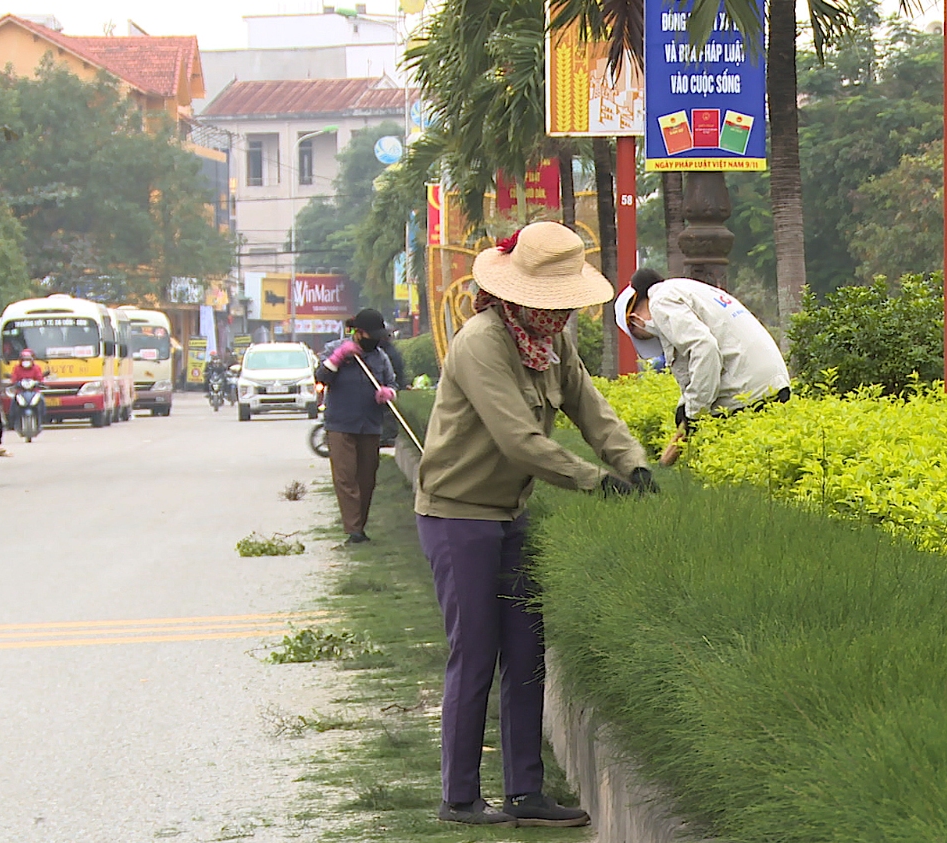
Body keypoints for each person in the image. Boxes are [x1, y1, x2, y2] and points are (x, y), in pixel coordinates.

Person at [416, 220, 657, 827]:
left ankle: (526, 794)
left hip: (510, 515)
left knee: (527, 653)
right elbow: (519, 441)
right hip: (458, 515)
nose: (559, 315)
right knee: (475, 653)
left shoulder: (552, 346)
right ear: (516, 295)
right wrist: (595, 482)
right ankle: (460, 798)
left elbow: (591, 410)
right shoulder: (482, 343)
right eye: (549, 303)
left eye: (565, 304)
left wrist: (634, 464)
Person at [615, 269, 791, 463]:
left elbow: (704, 349)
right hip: (773, 384)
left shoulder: (661, 302)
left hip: (748, 393)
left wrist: (693, 412)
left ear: (634, 320)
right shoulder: (685, 288)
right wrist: (687, 406)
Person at [316, 309, 398, 544]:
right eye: (371, 335)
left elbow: (392, 382)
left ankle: (360, 524)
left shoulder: (380, 357)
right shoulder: (335, 349)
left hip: (370, 425)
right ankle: (353, 531)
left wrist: (388, 393)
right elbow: (321, 377)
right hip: (340, 424)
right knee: (346, 477)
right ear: (359, 333)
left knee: (366, 479)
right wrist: (338, 359)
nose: (376, 340)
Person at [0, 348, 45, 456]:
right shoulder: (16, 368)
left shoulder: (36, 368)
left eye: (28, 359)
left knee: (42, 400)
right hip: (20, 392)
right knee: (13, 402)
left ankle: (42, 417)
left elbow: (40, 378)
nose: (26, 361)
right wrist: (14, 383)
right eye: (24, 359)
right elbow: (14, 379)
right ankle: (12, 419)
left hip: (34, 391)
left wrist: (39, 382)